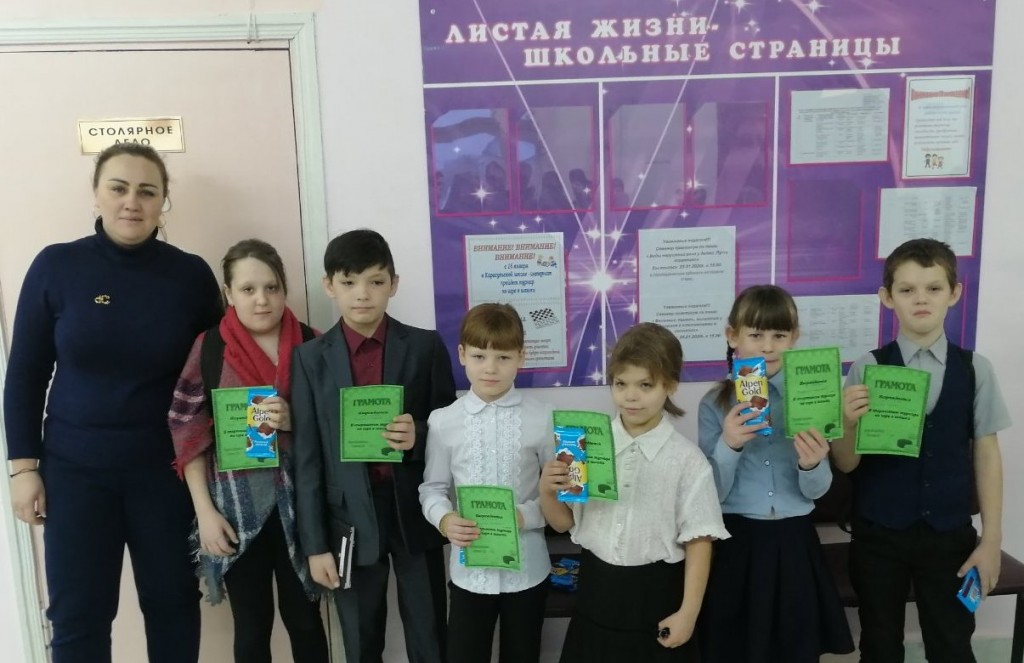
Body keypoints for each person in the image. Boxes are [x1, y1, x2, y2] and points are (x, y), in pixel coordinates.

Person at [4, 143, 222, 663]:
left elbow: (218, 377)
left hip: (165, 474)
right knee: (77, 615)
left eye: (147, 191)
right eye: (119, 188)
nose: (132, 202)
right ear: (96, 194)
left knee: (173, 605)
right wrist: (22, 468)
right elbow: (25, 374)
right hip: (74, 472)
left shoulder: (190, 276)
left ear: (163, 201)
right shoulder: (56, 266)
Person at [832, 238, 1011, 663]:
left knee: (952, 645)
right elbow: (847, 462)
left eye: (933, 288)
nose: (921, 299)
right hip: (878, 536)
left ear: (955, 293)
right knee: (879, 645)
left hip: (950, 537)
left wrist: (991, 540)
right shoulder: (868, 367)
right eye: (907, 289)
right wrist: (847, 423)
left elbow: (987, 456)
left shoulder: (976, 369)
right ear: (887, 297)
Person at [291, 229, 456, 663]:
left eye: (376, 281)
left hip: (414, 509)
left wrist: (419, 433)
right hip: (346, 518)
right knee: (360, 638)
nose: (362, 294)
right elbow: (307, 458)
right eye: (349, 282)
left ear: (393, 284)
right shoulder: (309, 358)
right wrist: (315, 545)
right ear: (329, 286)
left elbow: (450, 428)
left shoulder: (424, 346)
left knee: (429, 633)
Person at [168, 239, 328, 662]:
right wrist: (205, 512)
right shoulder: (210, 349)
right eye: (248, 289)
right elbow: (186, 429)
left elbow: (338, 427)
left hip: (304, 509)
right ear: (228, 293)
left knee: (306, 620)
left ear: (284, 288)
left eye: (272, 287)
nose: (262, 299)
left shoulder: (313, 345)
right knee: (252, 626)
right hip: (237, 511)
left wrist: (296, 420)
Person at [540, 322, 728, 663]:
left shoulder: (687, 460)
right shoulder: (585, 447)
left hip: (657, 598)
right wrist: (547, 490)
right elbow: (564, 523)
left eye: (645, 385)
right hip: (595, 592)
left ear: (670, 384)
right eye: (621, 384)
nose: (631, 396)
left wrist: (688, 614)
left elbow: (700, 541)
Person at [696, 285, 854, 662]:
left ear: (794, 338)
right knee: (736, 646)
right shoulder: (714, 404)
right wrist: (729, 445)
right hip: (737, 541)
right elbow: (710, 496)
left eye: (779, 335)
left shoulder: (812, 399)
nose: (767, 346)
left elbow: (816, 492)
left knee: (795, 645)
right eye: (755, 335)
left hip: (795, 541)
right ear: (732, 336)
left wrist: (811, 464)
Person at [419, 303, 554, 663]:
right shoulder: (443, 421)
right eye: (479, 356)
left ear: (521, 357)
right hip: (469, 572)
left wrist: (526, 516)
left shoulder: (543, 418)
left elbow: (560, 493)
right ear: (462, 354)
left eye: (503, 357)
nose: (490, 368)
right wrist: (445, 519)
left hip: (527, 570)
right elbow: (432, 489)